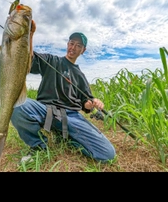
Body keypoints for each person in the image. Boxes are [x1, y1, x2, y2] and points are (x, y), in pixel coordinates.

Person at [11, 23, 116, 164]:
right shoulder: (51, 60)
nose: (73, 47)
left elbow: (86, 103)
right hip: (46, 111)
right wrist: (30, 35)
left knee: (107, 154)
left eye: (78, 46)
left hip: (72, 117)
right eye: (72, 43)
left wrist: (93, 103)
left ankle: (66, 138)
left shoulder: (80, 75)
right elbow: (27, 60)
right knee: (16, 103)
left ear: (83, 50)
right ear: (67, 44)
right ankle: (38, 146)